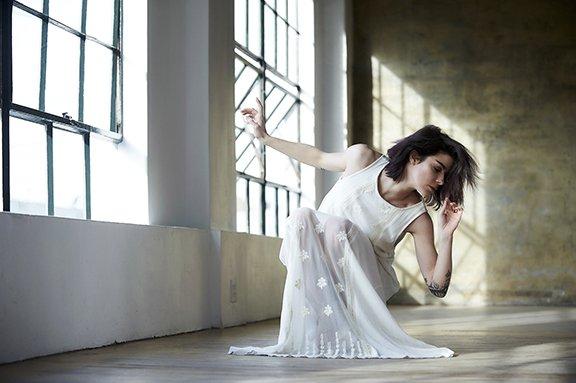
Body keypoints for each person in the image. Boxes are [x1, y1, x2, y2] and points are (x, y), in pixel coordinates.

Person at [228, 98, 479, 359]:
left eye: (445, 177)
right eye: (437, 169)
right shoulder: (363, 159)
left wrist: (447, 236)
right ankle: (316, 324)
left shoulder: (418, 219)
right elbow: (317, 156)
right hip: (320, 274)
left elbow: (437, 287)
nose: (440, 181)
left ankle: (343, 325)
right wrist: (265, 138)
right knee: (302, 218)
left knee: (340, 228)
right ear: (415, 158)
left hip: (362, 290)